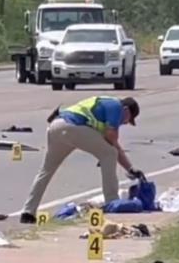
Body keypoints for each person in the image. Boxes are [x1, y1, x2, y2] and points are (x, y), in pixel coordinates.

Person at [20, 96, 144, 224]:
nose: (125, 123)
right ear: (126, 110)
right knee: (109, 153)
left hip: (56, 126)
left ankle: (28, 212)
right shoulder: (116, 107)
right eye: (128, 120)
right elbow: (113, 141)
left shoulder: (102, 106)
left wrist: (130, 168)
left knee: (46, 170)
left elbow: (111, 144)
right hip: (74, 127)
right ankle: (112, 201)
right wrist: (121, 163)